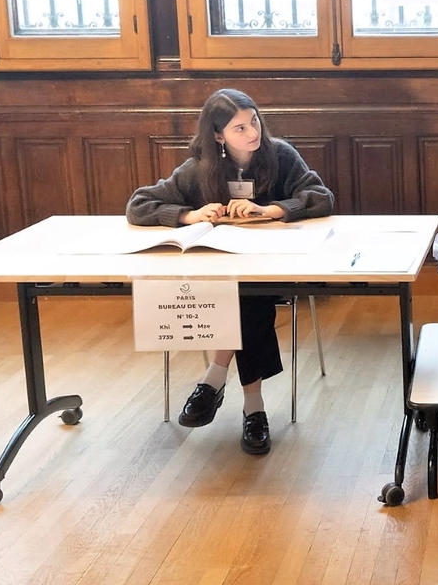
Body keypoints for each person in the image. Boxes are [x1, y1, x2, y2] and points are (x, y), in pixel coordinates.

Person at [127, 88, 335, 455]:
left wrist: (270, 210)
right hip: (219, 278)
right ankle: (253, 409)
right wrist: (188, 215)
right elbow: (139, 204)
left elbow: (320, 196)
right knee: (242, 298)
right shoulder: (199, 169)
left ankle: (215, 380)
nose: (252, 132)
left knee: (246, 296)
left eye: (254, 120)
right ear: (219, 136)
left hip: (274, 270)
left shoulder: (281, 156)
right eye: (239, 128)